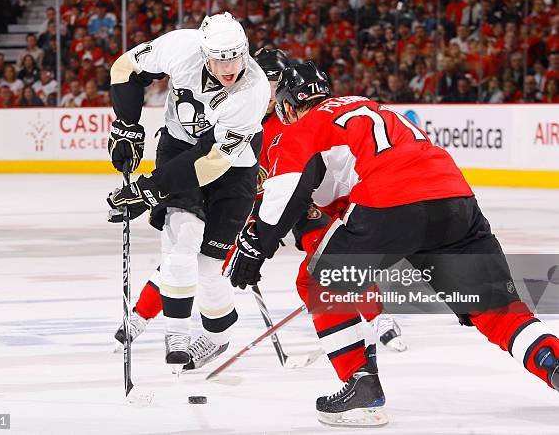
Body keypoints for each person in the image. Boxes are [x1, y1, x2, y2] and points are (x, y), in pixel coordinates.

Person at [225, 62, 559, 427]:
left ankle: (361, 385)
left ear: (288, 105)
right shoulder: (372, 108)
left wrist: (256, 244)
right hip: (456, 200)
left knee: (317, 280)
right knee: (498, 308)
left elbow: (285, 194)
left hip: (391, 203)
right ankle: (552, 362)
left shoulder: (305, 127)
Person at [112, 49, 406, 368]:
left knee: (328, 250)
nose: (268, 93)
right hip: (252, 202)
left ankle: (377, 317)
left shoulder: (292, 118)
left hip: (300, 197)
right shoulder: (236, 113)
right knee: (198, 254)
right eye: (265, 82)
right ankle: (141, 316)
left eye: (275, 84)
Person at [105, 12, 270, 373]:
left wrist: (150, 188)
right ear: (203, 51)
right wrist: (126, 126)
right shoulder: (181, 47)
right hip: (178, 147)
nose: (229, 67)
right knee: (181, 238)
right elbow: (125, 69)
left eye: (235, 57)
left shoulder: (253, 90)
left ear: (245, 51)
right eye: (219, 58)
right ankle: (175, 334)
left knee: (209, 267)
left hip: (232, 165)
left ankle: (218, 335)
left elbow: (212, 161)